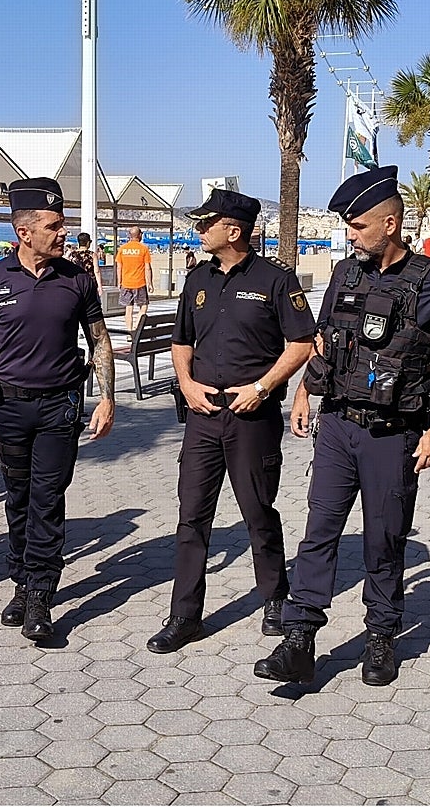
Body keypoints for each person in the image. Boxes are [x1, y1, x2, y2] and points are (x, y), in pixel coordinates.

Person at [253, 165, 430, 687]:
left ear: (390, 224)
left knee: (385, 537)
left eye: (357, 226)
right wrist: (306, 390)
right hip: (338, 426)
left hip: (394, 433)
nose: (349, 236)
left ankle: (380, 637)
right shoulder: (344, 275)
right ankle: (299, 640)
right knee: (318, 532)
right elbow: (324, 338)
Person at [146, 189, 315, 655]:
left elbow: (302, 343)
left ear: (233, 230)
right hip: (202, 415)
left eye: (206, 223)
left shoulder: (276, 279)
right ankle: (184, 616)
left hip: (252, 417)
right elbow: (182, 340)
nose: (199, 230)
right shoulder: (197, 278)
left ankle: (275, 599)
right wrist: (186, 383)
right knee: (191, 517)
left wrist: (262, 388)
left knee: (259, 513)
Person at [0, 177, 116, 642]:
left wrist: (106, 398)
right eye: (54, 225)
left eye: (62, 223)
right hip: (9, 409)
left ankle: (42, 595)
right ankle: (22, 583)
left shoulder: (77, 280)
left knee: (47, 503)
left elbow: (100, 340)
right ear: (24, 232)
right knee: (17, 500)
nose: (63, 232)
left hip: (59, 410)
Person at [116, 226, 153, 332]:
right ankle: (136, 327)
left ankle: (129, 330)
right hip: (139, 282)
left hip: (126, 283)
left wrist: (119, 282)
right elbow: (147, 268)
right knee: (144, 306)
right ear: (139, 235)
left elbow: (119, 267)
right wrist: (150, 283)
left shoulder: (123, 249)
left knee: (128, 308)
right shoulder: (143, 248)